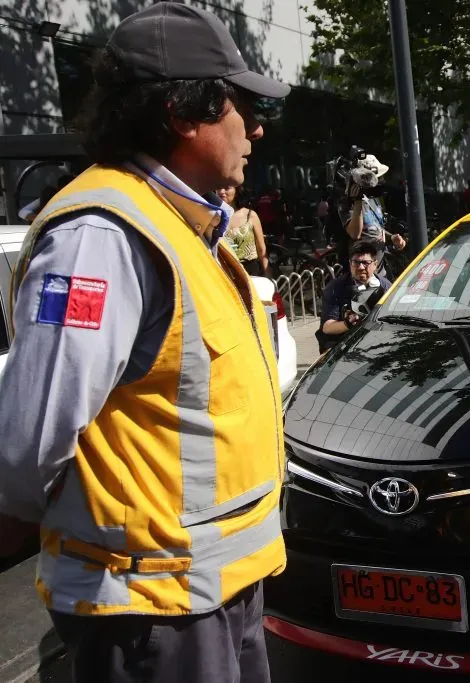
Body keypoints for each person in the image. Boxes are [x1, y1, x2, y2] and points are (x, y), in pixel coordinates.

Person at [0, 4, 290, 681]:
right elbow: (30, 435)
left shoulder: (181, 225)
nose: (256, 126)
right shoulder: (101, 238)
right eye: (238, 105)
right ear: (184, 113)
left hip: (211, 594)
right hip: (155, 614)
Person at [316, 239, 392, 353]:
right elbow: (327, 327)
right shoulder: (335, 288)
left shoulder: (386, 286)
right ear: (350, 263)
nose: (361, 267)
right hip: (342, 345)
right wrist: (348, 324)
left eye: (366, 263)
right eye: (356, 262)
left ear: (375, 264)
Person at [344, 152, 407, 278]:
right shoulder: (347, 202)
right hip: (361, 274)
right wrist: (357, 202)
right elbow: (355, 233)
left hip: (379, 270)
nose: (379, 182)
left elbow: (375, 228)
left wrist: (392, 237)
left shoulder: (374, 197)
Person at [219, 184, 269, 275]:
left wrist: (268, 273)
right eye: (218, 188)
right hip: (225, 272)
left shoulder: (250, 215)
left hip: (251, 271)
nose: (221, 191)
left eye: (227, 188)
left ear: (237, 191)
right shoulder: (213, 216)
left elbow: (261, 249)